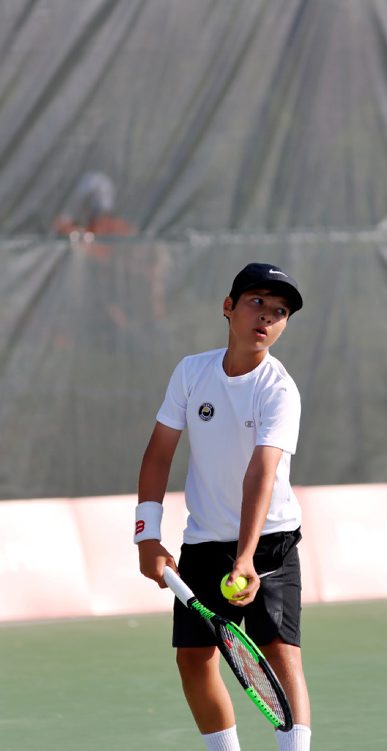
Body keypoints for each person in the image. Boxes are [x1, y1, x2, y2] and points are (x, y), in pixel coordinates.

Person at [135, 262, 311, 751]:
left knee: (280, 654)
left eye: (279, 312)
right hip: (204, 540)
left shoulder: (279, 390)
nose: (267, 318)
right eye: (257, 302)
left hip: (269, 543)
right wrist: (147, 535)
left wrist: (246, 557)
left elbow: (263, 471)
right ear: (229, 307)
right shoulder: (192, 372)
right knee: (193, 660)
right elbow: (158, 452)